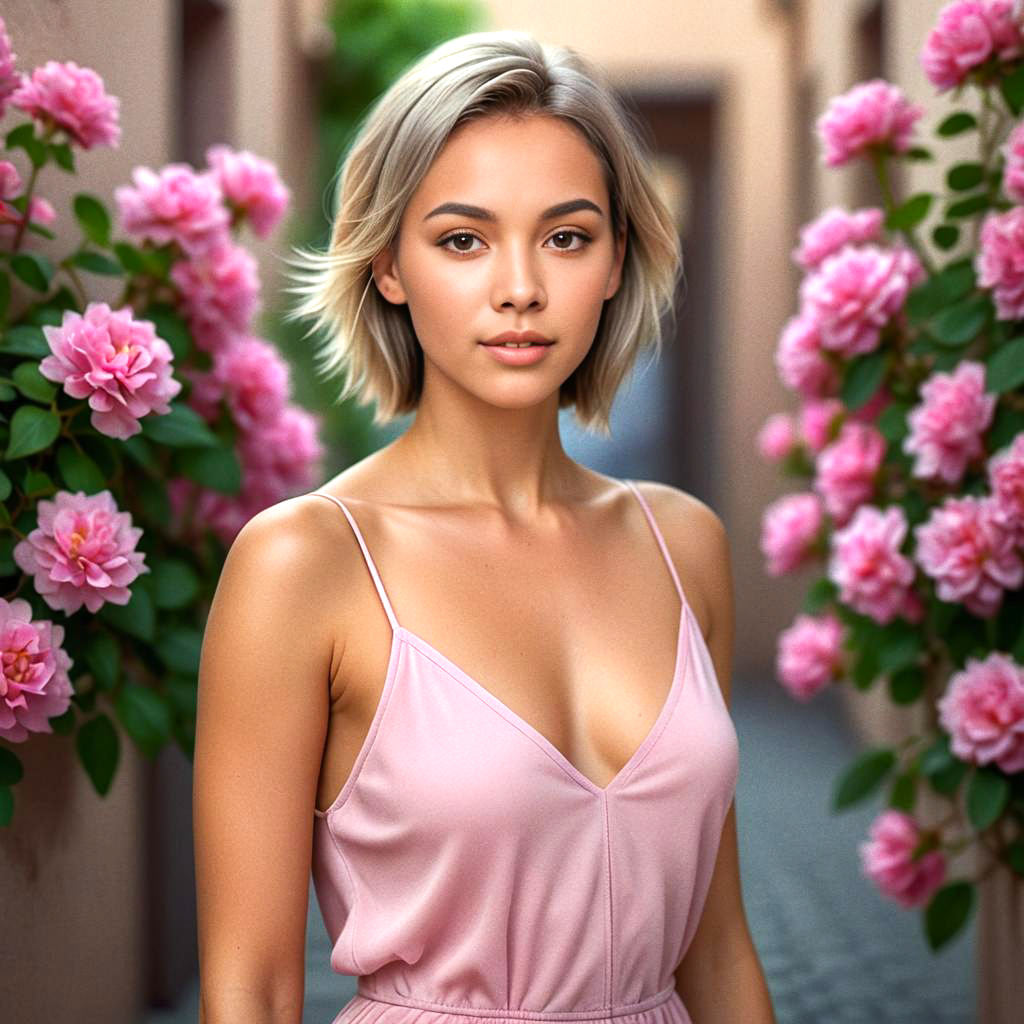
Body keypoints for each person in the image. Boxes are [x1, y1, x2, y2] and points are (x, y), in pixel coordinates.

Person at [193, 29, 774, 1024]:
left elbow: (715, 950)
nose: (520, 288)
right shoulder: (306, 564)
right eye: (463, 239)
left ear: (614, 260)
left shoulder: (684, 546)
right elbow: (251, 985)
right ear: (388, 266)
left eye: (566, 236)